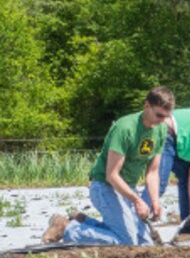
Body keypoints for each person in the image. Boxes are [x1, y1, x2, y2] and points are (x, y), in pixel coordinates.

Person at [44, 87, 174, 246]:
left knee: (144, 244)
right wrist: (137, 201)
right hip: (104, 186)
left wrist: (154, 201)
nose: (162, 120)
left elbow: (153, 172)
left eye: (166, 116)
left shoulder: (160, 129)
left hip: (127, 190)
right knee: (127, 242)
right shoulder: (125, 128)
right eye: (159, 115)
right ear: (147, 105)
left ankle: (83, 221)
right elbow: (111, 175)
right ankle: (69, 229)